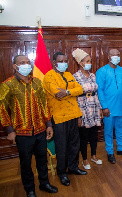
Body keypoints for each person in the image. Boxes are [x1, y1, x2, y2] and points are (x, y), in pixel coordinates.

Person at [0, 55, 58, 197]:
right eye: (22, 63)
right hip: (21, 133)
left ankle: (44, 183)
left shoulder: (37, 82)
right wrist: (9, 129)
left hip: (40, 130)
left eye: (28, 62)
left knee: (42, 160)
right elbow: (1, 107)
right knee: (26, 164)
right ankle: (30, 189)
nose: (26, 65)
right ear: (15, 66)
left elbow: (44, 104)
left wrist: (49, 124)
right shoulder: (8, 84)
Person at [43, 52, 87, 187]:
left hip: (73, 115)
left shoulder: (69, 75)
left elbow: (80, 89)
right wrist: (69, 92)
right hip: (59, 117)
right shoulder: (48, 76)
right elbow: (57, 94)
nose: (63, 63)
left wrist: (68, 92)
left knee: (74, 144)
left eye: (65, 60)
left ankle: (73, 167)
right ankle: (62, 173)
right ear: (54, 63)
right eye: (60, 61)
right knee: (62, 147)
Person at [96, 49, 122, 164]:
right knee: (108, 131)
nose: (115, 57)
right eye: (113, 55)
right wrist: (104, 107)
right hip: (109, 108)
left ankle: (120, 149)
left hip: (121, 106)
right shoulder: (102, 71)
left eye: (118, 55)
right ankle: (110, 152)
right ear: (108, 57)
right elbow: (100, 90)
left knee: (121, 129)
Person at [72, 48, 103, 169]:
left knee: (94, 134)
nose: (89, 63)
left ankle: (94, 156)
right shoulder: (75, 77)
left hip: (94, 107)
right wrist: (78, 116)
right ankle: (84, 159)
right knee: (83, 136)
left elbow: (96, 93)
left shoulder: (92, 75)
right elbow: (74, 98)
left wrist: (100, 109)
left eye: (90, 61)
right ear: (80, 63)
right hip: (83, 109)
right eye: (87, 61)